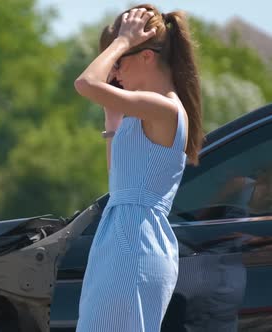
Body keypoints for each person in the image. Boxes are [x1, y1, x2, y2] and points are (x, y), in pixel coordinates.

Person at [72, 4, 203, 331]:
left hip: (135, 244)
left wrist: (123, 40)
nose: (113, 73)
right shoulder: (146, 112)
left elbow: (86, 83)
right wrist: (111, 118)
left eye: (119, 62)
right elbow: (119, 182)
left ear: (146, 56)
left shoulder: (164, 108)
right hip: (121, 239)